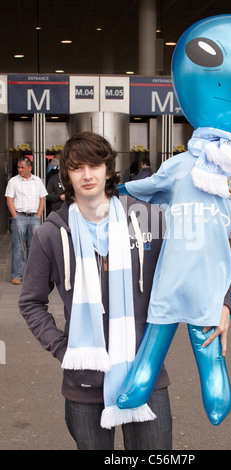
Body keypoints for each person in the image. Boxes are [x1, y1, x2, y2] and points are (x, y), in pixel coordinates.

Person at [18, 131, 172, 450]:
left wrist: (222, 302)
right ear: (66, 176)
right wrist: (64, 347)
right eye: (77, 167)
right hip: (84, 383)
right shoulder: (52, 233)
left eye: (95, 165)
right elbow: (31, 302)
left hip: (145, 372)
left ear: (108, 169)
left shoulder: (146, 219)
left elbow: (189, 268)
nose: (87, 175)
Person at [5, 156, 47, 285]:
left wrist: (38, 216)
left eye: (22, 167)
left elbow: (42, 199)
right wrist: (15, 217)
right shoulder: (13, 181)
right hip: (20, 217)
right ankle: (16, 275)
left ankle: (32, 275)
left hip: (34, 217)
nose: (20, 170)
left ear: (30, 168)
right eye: (18, 167)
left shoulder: (38, 181)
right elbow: (9, 199)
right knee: (18, 247)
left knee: (33, 247)